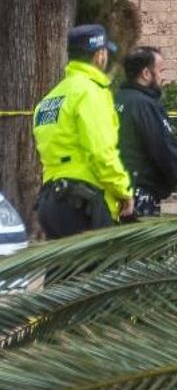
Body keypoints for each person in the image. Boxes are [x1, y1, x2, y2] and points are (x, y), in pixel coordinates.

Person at [31, 24, 134, 238]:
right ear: (100, 55)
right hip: (83, 204)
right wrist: (123, 191)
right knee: (94, 272)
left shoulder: (51, 98)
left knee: (62, 271)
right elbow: (101, 152)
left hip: (51, 201)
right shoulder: (91, 92)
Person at [115, 47, 177, 217]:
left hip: (114, 192)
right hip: (140, 195)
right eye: (161, 71)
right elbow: (164, 147)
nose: (162, 77)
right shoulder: (145, 105)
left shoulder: (115, 99)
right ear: (146, 73)